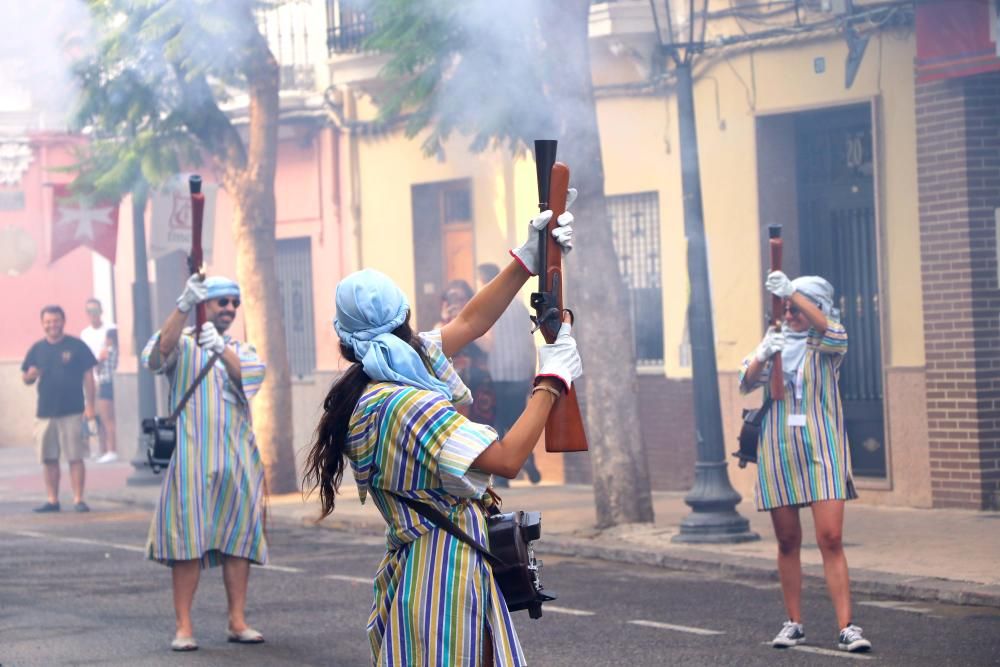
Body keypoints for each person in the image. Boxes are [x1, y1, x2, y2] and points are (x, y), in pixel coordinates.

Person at [304, 198, 578, 666]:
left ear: (346, 339)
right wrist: (552, 380)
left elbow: (470, 320)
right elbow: (508, 459)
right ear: (404, 316)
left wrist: (526, 259)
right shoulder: (403, 402)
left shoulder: (382, 376)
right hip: (445, 578)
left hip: (426, 570)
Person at [740, 271, 872, 654]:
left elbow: (831, 329)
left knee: (830, 537)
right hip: (778, 449)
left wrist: (792, 293)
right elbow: (746, 382)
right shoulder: (775, 342)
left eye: (799, 305)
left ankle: (847, 626)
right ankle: (794, 622)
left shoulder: (828, 342)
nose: (792, 312)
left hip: (823, 447)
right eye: (786, 306)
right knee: (787, 540)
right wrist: (764, 352)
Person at [142, 275, 268, 652]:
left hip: (237, 458)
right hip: (191, 457)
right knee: (187, 542)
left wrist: (220, 349)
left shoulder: (243, 349)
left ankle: (237, 620)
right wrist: (182, 306)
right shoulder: (181, 342)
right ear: (203, 304)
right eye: (220, 302)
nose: (229, 308)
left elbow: (247, 377)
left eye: (234, 303)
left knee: (238, 541)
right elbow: (155, 356)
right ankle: (183, 626)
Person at [21, 305, 97, 513]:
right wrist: (30, 376)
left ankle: (78, 499)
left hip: (73, 411)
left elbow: (89, 377)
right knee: (49, 459)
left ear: (63, 321)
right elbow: (26, 377)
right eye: (48, 322)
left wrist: (90, 407)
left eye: (55, 321)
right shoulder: (37, 349)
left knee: (75, 457)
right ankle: (52, 500)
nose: (52, 325)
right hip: (45, 413)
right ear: (42, 324)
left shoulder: (77, 346)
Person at [475, 262, 541, 484]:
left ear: (485, 281)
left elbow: (488, 342)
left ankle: (503, 477)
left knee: (499, 422)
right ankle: (528, 459)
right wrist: (533, 371)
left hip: (498, 372)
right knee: (516, 420)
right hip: (521, 372)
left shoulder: (489, 306)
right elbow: (530, 340)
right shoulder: (520, 307)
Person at [435, 279, 497, 429]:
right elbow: (434, 350)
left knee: (483, 432)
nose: (457, 303)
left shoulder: (480, 320)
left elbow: (488, 346)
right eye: (451, 298)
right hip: (452, 389)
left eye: (461, 299)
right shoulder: (442, 324)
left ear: (469, 300)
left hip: (479, 387)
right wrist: (447, 320)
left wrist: (467, 323)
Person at [80, 298, 119, 463]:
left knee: (107, 417)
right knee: (93, 416)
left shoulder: (111, 329)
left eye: (95, 310)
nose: (93, 314)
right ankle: (101, 450)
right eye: (89, 311)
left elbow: (111, 355)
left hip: (108, 379)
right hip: (91, 379)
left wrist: (99, 362)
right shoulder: (85, 333)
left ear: (101, 311)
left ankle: (111, 450)